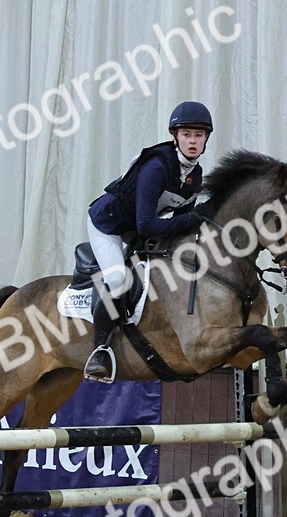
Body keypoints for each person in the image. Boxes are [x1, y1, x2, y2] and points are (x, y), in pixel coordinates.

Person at [82, 101, 212, 382]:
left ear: (206, 139)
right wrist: (192, 220)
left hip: (139, 230)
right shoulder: (157, 168)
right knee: (117, 279)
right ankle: (100, 351)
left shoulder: (194, 176)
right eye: (187, 134)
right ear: (175, 137)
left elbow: (181, 224)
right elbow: (147, 225)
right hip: (109, 225)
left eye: (199, 135)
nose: (193, 141)